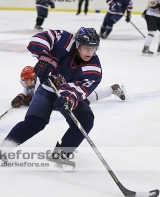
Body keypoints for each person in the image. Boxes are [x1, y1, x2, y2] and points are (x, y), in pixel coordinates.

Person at [0, 27, 102, 171]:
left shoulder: (93, 68)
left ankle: (61, 154)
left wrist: (68, 98)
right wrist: (45, 56)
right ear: (77, 43)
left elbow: (82, 89)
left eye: (93, 48)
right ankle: (4, 148)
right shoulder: (65, 40)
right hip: (47, 90)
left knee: (85, 119)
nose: (89, 52)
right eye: (86, 47)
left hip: (68, 95)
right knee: (35, 121)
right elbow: (39, 38)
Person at [11, 66, 127, 109]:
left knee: (91, 96)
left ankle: (113, 88)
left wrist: (27, 100)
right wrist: (21, 97)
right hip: (64, 90)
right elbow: (27, 94)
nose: (26, 84)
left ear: (34, 78)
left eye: (27, 81)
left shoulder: (40, 83)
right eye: (24, 82)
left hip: (71, 90)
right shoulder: (33, 83)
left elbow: (38, 102)